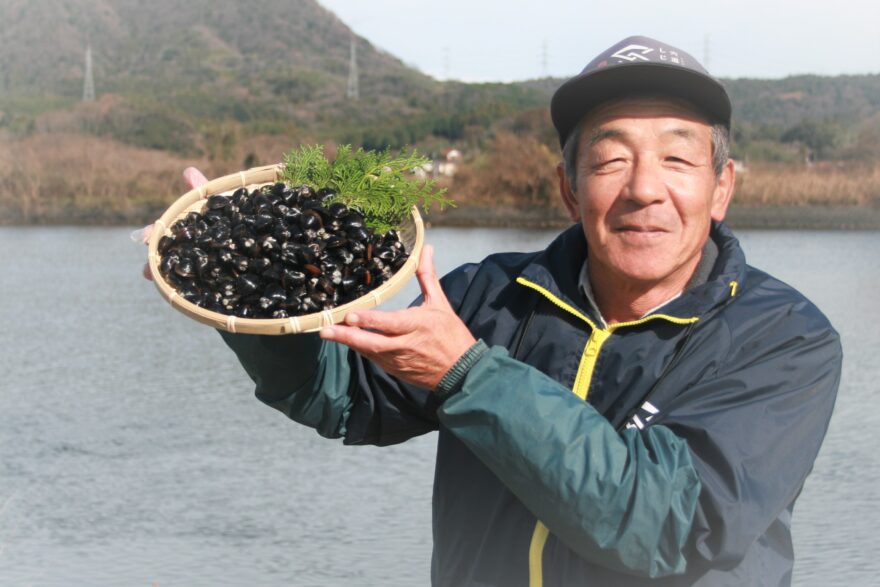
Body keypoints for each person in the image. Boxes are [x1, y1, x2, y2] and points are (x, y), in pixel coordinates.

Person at [154, 36, 842, 586]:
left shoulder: (783, 340)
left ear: (721, 188)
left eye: (676, 159)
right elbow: (339, 394)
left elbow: (667, 522)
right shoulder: (495, 296)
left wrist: (468, 374)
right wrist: (240, 288)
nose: (643, 189)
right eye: (609, 160)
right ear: (569, 189)